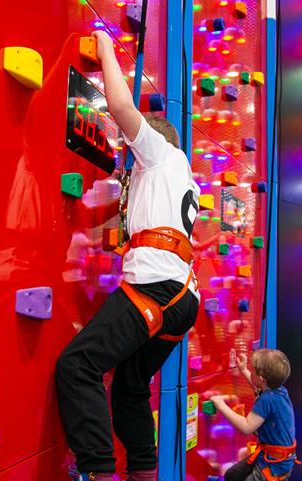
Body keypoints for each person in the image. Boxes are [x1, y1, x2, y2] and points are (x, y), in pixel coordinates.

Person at [55, 30, 201, 481]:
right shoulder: (182, 180)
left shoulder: (161, 155)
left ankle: (98, 472)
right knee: (131, 391)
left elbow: (121, 108)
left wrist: (103, 48)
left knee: (78, 365)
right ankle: (143, 472)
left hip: (155, 287)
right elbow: (132, 228)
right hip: (181, 298)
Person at [209, 349, 297, 481]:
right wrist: (243, 370)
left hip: (274, 465)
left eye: (253, 369)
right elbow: (258, 386)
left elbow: (246, 427)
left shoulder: (266, 400)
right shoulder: (279, 391)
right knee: (232, 475)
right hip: (275, 457)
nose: (251, 370)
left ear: (261, 379)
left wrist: (221, 406)